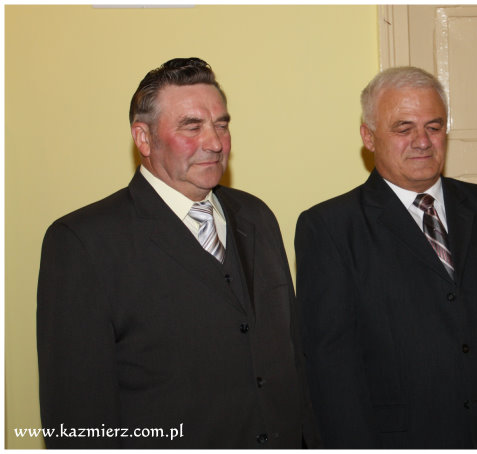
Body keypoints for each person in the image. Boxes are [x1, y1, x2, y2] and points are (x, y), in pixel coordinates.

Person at [37, 57, 319, 449]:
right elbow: (77, 416)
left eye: (221, 125)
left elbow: (293, 359)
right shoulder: (83, 243)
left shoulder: (256, 216)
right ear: (143, 138)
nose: (215, 143)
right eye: (192, 126)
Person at [295, 66, 477, 448]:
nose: (422, 141)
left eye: (434, 127)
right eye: (404, 128)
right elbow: (330, 374)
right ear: (368, 136)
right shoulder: (330, 229)